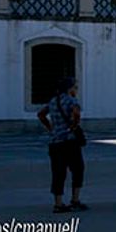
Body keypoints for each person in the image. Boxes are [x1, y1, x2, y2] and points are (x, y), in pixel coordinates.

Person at [37, 76, 86, 213]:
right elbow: (76, 113)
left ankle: (58, 204)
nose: (76, 89)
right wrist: (74, 125)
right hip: (69, 141)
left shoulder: (53, 101)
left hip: (55, 142)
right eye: (75, 87)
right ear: (69, 88)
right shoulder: (71, 100)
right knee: (77, 169)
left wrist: (51, 128)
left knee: (58, 173)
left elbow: (41, 114)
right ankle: (75, 200)